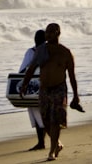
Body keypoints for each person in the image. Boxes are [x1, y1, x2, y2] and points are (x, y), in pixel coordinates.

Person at [19, 22, 80, 162]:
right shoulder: (41, 51)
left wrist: (76, 96)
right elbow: (31, 68)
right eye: (47, 32)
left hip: (59, 89)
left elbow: (72, 76)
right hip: (44, 89)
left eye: (51, 32)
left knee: (55, 121)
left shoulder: (65, 53)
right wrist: (24, 85)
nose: (48, 34)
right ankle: (57, 144)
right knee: (45, 120)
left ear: (58, 33)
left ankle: (52, 151)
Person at [20, 29, 47, 152]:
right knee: (43, 115)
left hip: (32, 87)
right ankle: (43, 142)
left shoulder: (31, 52)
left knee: (37, 115)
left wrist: (22, 85)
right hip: (47, 85)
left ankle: (42, 142)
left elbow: (22, 70)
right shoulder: (49, 50)